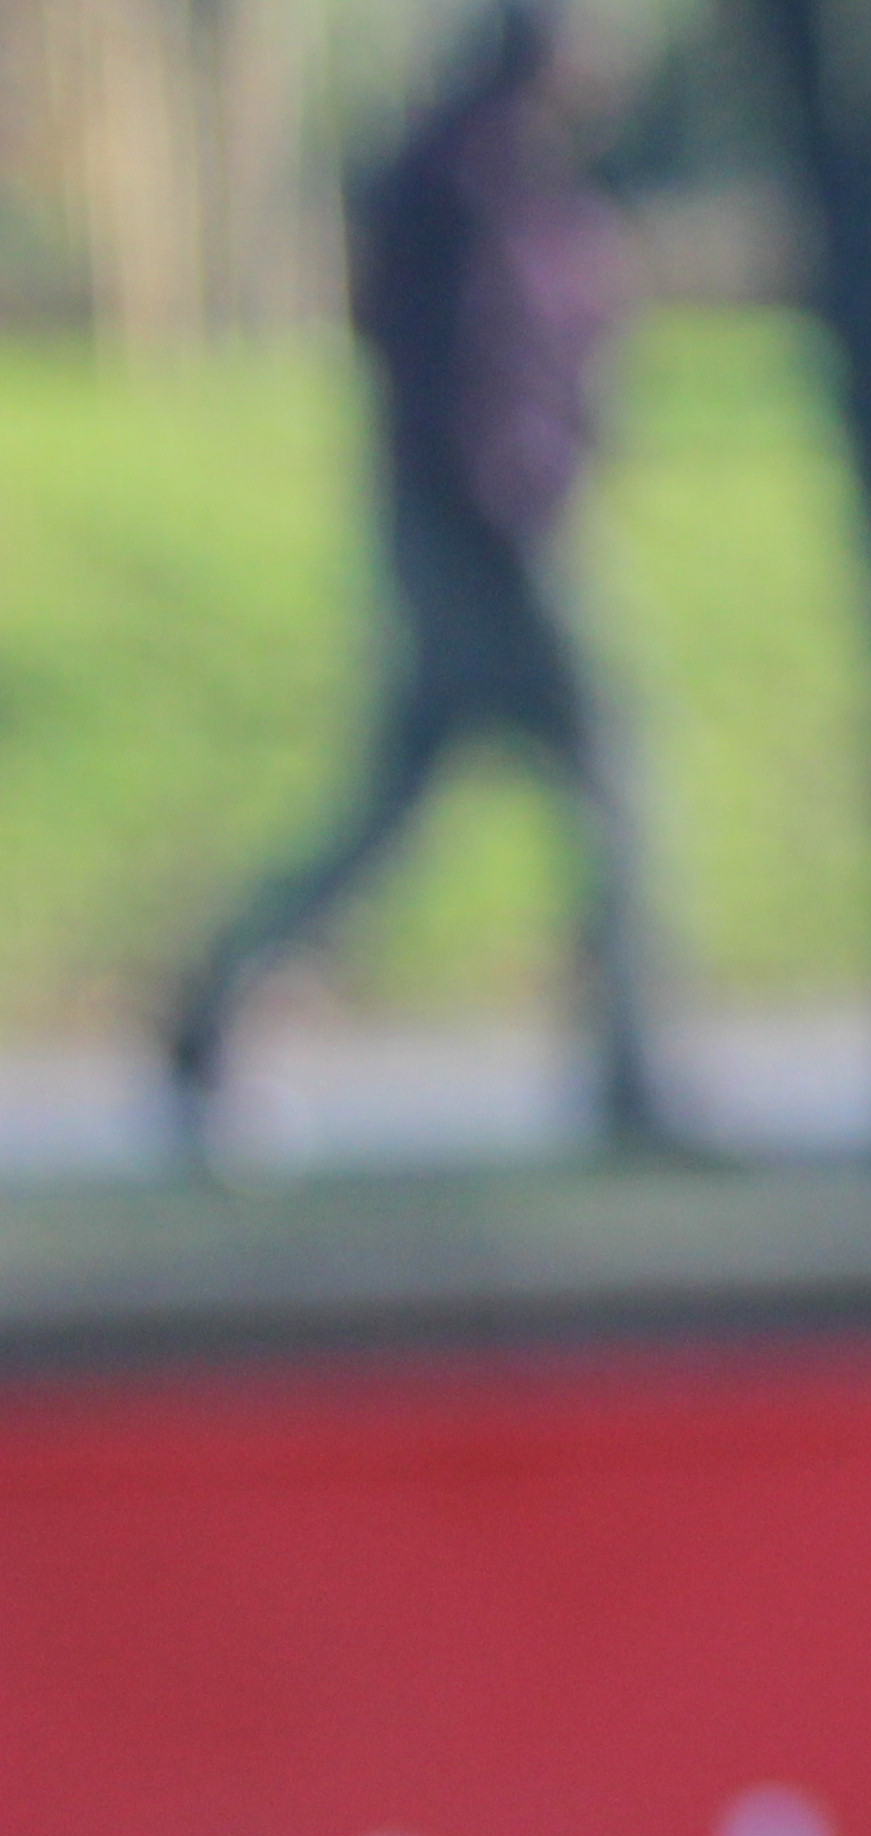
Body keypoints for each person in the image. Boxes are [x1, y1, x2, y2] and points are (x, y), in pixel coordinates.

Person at [162, 0, 674, 1166]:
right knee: (615, 778)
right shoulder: (470, 182)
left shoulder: (514, 177)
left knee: (402, 801)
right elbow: (472, 366)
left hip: (491, 519)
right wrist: (511, 498)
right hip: (492, 531)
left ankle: (221, 995)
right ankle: (630, 1073)